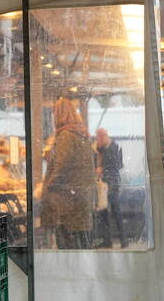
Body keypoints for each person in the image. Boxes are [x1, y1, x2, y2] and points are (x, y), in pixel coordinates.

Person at [41, 97, 95, 249]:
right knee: (80, 245)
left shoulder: (66, 136)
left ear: (59, 114)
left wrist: (49, 187)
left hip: (66, 203)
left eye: (54, 112)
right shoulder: (81, 134)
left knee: (67, 246)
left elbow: (61, 166)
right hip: (79, 200)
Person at [94, 127, 126, 248]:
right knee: (103, 211)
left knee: (115, 211)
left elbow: (118, 165)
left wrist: (103, 169)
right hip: (105, 185)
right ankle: (107, 240)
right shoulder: (101, 149)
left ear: (104, 136)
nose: (98, 139)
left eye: (100, 136)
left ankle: (123, 239)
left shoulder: (113, 147)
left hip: (112, 184)